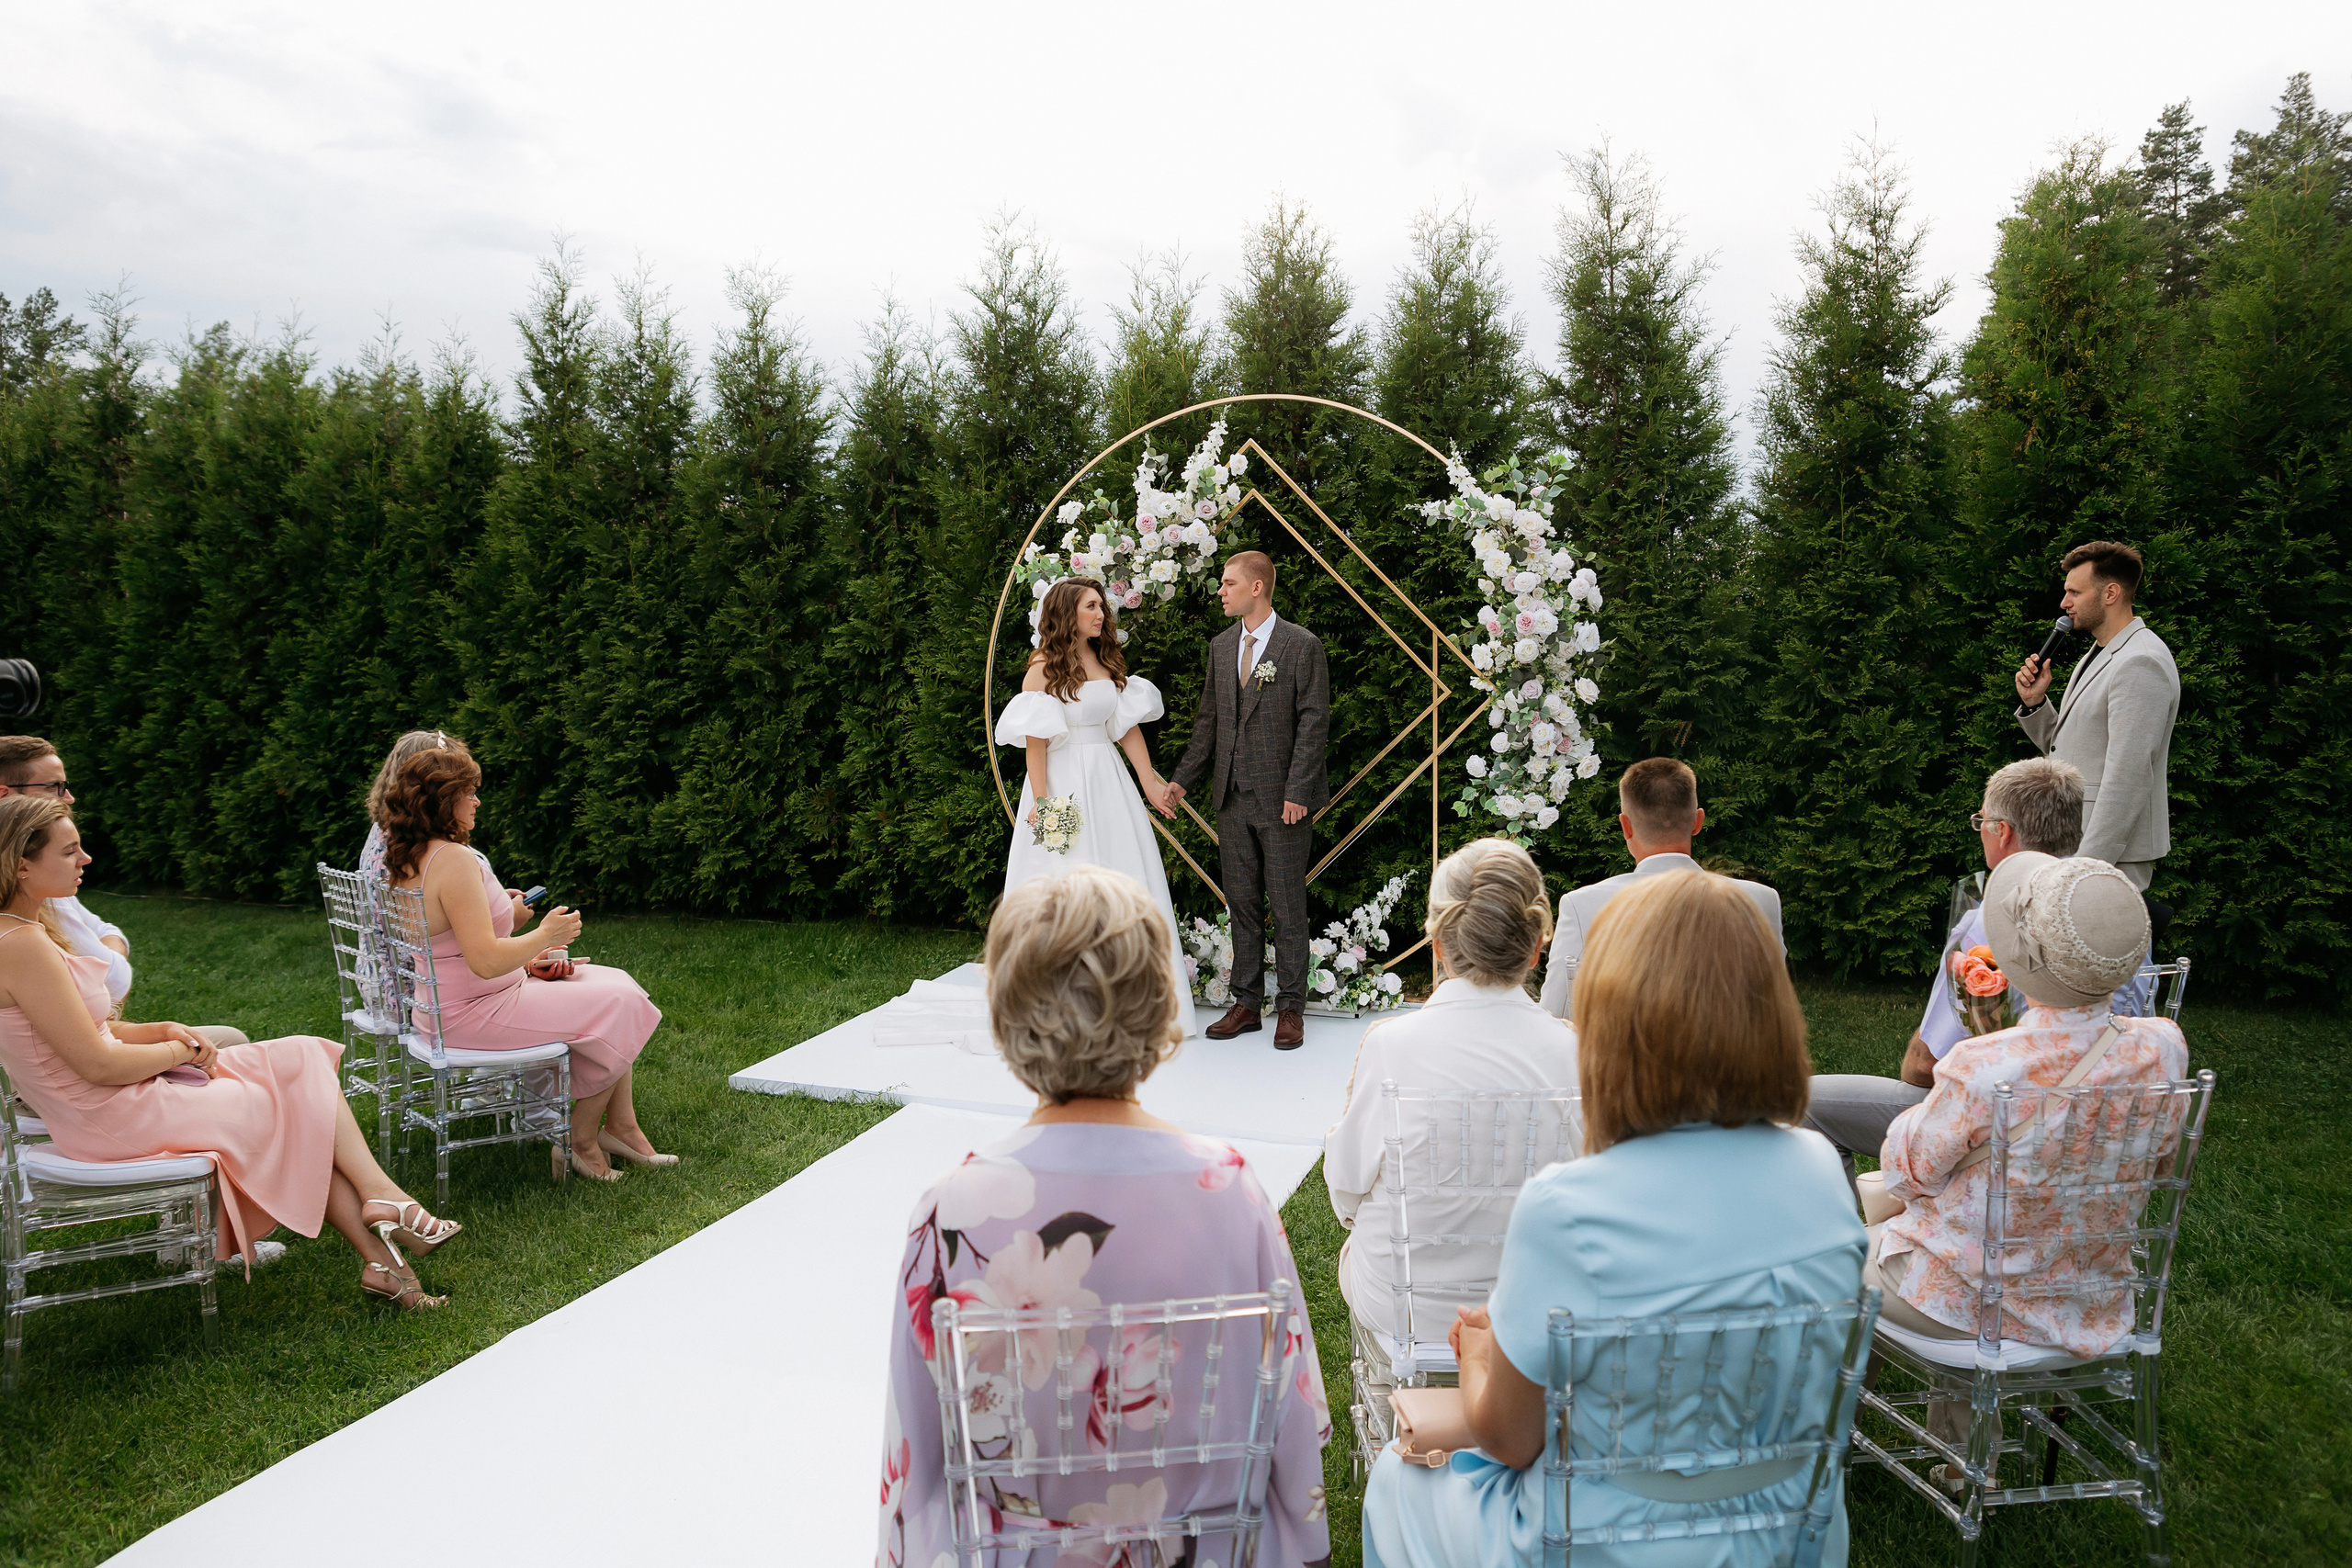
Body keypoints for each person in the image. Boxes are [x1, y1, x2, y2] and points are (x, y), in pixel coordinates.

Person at [1362, 869, 1864, 1568]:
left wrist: (1478, 1357)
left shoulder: (1568, 1207)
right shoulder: (1820, 1170)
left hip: (1603, 1543)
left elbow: (1509, 1439)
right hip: (1786, 1529)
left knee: (1396, 1476)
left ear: (1614, 1019)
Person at [878, 865, 1331, 1568]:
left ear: (1006, 1014)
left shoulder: (947, 1212)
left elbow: (917, 1464)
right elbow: (1296, 1428)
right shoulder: (1232, 1193)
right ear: (1158, 1009)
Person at [0, 796, 459, 1309]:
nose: (85, 860)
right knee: (300, 1105)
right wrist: (180, 1050)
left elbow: (87, 1034)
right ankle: (387, 1220)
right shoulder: (19, 945)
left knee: (298, 1060)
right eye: (69, 852)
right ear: (21, 864)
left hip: (117, 1098)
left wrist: (159, 1030)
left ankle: (386, 1257)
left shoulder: (27, 932)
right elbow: (98, 1064)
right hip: (111, 1115)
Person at [1871, 852, 2188, 1467]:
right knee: (1956, 1244)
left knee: (1828, 1264)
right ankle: (1957, 1454)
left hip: (1973, 1304)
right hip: (2091, 1299)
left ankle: (1817, 1453)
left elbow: (1907, 1170)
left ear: (2022, 957)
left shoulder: (1985, 1063)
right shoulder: (2164, 1048)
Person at [1803, 757, 2151, 1186]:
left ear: (2001, 831)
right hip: (2099, 1126)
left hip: (2001, 1132)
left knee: (1802, 1101)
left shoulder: (1993, 919)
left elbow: (1925, 1065)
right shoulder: (2117, 912)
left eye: (1980, 821)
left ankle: (1842, 1244)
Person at [1323, 839, 1579, 1415]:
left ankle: (1399, 1405)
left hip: (1404, 1309)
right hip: (1535, 1312)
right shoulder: (1576, 1053)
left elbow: (1344, 1184)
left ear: (1438, 947)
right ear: (1537, 948)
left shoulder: (1390, 1046)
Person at [381, 738, 667, 1182]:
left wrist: (523, 947)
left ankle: (622, 1129)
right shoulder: (452, 860)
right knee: (621, 1005)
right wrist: (543, 936)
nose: (477, 800)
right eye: (468, 792)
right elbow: (484, 962)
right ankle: (580, 1141)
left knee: (618, 984)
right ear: (444, 801)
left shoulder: (412, 855)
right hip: (474, 1012)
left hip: (455, 1005)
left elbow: (459, 947)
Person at [993, 577, 1196, 1034]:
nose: (1101, 614)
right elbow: (1036, 744)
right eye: (1091, 607)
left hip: (1108, 782)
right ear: (1068, 612)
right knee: (1065, 885)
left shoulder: (1105, 659)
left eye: (1101, 606)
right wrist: (1043, 805)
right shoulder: (1042, 667)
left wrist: (1148, 781)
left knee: (1123, 876)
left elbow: (1123, 727)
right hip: (1061, 784)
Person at [1163, 551, 1332, 1050]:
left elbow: (1313, 722)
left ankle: (1291, 1008)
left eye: (1228, 583)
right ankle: (1246, 1003)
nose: (1221, 591)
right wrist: (1182, 781)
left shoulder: (1302, 645)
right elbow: (1208, 724)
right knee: (1240, 902)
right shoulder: (1220, 647)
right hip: (1231, 798)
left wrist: (1299, 791)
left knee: (1286, 902)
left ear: (1256, 588)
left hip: (1282, 800)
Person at [0, 736, 247, 1052]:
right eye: (54, 787)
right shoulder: (23, 916)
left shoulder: (42, 884)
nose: (69, 798)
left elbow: (107, 934)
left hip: (98, 1036)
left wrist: (161, 1030)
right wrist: (175, 1050)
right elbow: (98, 1052)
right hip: (85, 1065)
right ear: (5, 795)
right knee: (267, 1060)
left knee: (243, 1046)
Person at [1536, 757, 1781, 1021]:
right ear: (1698, 822)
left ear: (1625, 826)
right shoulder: (1761, 900)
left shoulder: (1583, 905)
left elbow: (1555, 1013)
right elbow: (1773, 1009)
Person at [2014, 540, 2180, 892]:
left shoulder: (2141, 661)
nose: (2064, 603)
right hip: (2079, 846)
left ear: (2111, 593)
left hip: (2107, 859)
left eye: (2075, 592)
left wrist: (2086, 865)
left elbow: (2129, 777)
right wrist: (2035, 704)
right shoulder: (2100, 653)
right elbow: (2068, 749)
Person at [359, 728, 533, 931]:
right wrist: (512, 915)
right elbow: (476, 946)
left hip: (378, 961)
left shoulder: (382, 837)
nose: (475, 800)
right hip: (430, 961)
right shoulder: (442, 855)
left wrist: (493, 900)